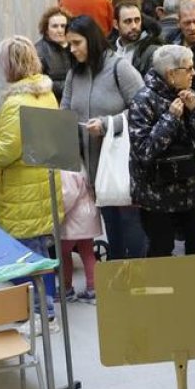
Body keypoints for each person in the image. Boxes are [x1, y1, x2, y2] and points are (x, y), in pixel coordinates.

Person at [0, 36, 63, 315]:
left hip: (22, 190)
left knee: (27, 256)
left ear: (10, 65)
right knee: (41, 252)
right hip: (43, 184)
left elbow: (5, 152)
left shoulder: (16, 103)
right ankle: (46, 306)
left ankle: (42, 311)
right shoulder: (47, 94)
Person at [62, 14, 146, 260]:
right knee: (112, 227)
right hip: (94, 167)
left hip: (122, 165)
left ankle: (139, 280)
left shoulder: (120, 67)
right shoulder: (73, 74)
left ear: (92, 39)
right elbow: (64, 112)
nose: (72, 49)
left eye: (77, 42)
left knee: (131, 226)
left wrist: (109, 124)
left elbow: (144, 109)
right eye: (69, 44)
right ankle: (117, 281)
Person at [128, 45, 195, 258]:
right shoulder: (143, 100)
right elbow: (144, 150)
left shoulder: (191, 95)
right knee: (160, 253)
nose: (194, 73)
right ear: (172, 74)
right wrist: (170, 119)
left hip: (192, 193)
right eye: (189, 68)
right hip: (157, 198)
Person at [58, 168, 100, 302]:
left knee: (62, 253)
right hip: (86, 214)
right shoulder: (80, 165)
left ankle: (66, 289)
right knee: (87, 252)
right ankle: (93, 288)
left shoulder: (66, 169)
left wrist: (57, 212)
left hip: (74, 217)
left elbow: (68, 194)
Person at [111, 0, 163, 76]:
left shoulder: (152, 51)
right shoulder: (109, 51)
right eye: (128, 21)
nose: (134, 26)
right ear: (116, 24)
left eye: (137, 20)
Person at [35, 7, 73, 103]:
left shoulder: (74, 47)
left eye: (63, 26)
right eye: (55, 26)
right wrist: (71, 86)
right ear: (46, 29)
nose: (60, 30)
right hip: (51, 103)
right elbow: (37, 83)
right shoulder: (38, 51)